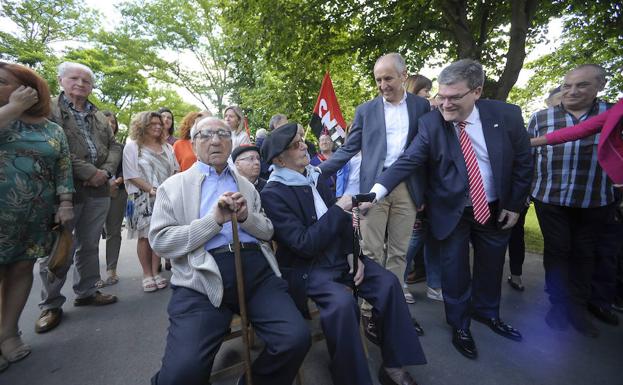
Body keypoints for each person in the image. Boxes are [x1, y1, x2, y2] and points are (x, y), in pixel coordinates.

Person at [371, 59, 532, 359]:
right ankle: (460, 325)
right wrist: (376, 192)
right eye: (441, 96)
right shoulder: (432, 123)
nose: (444, 104)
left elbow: (523, 162)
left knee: (491, 265)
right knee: (455, 271)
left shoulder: (507, 116)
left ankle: (488, 313)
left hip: (496, 208)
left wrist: (514, 205)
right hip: (451, 210)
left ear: (477, 92)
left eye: (454, 98)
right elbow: (408, 160)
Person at [148, 117, 310, 385]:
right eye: (206, 135)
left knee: (295, 339)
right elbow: (161, 241)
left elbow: (268, 231)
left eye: (223, 134)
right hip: (201, 278)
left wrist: (248, 217)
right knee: (182, 374)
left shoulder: (246, 185)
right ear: (192, 142)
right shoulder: (173, 187)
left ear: (230, 141)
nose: (215, 140)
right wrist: (213, 222)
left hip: (257, 274)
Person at [261, 123, 425, 385]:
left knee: (389, 284)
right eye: (295, 144)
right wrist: (338, 209)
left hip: (340, 258)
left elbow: (342, 227)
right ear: (279, 159)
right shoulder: (272, 193)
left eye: (302, 140)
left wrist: (355, 253)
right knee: (342, 305)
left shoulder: (314, 176)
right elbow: (304, 244)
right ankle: (351, 379)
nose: (304, 145)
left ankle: (393, 366)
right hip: (307, 269)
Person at [319, 53, 430, 307]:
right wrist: (320, 170)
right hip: (373, 189)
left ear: (404, 76)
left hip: (408, 188)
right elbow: (348, 149)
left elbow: (427, 152)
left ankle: (392, 303)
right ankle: (370, 308)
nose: (382, 85)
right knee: (371, 251)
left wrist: (424, 193)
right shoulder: (366, 110)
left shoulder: (421, 107)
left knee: (400, 252)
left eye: (388, 78)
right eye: (378, 80)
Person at [529, 64, 619, 335]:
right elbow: (528, 157)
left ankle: (578, 308)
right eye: (567, 85)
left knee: (585, 253)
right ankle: (558, 305)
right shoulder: (541, 117)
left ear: (599, 87)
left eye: (582, 85)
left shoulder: (613, 114)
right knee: (557, 251)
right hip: (550, 198)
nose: (572, 91)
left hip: (595, 199)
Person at [36, 62, 121, 334]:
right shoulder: (48, 110)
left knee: (90, 244)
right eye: (74, 78)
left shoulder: (98, 115)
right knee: (59, 247)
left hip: (98, 190)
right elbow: (52, 147)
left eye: (86, 80)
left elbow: (114, 146)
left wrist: (105, 173)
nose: (81, 84)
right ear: (61, 80)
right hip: (64, 191)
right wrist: (89, 171)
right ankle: (50, 304)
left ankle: (86, 290)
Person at [0, 62, 74, 370]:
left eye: (3, 81)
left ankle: (8, 333)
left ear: (30, 89)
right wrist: (12, 109)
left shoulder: (52, 129)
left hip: (35, 214)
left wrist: (65, 202)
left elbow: (63, 167)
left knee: (21, 270)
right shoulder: (6, 121)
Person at [123, 111, 179, 292]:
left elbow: (176, 170)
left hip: (165, 198)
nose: (157, 126)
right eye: (151, 124)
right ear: (142, 126)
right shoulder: (133, 147)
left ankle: (156, 272)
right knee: (145, 237)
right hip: (142, 199)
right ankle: (147, 274)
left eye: (159, 124)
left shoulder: (168, 148)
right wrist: (151, 189)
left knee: (159, 235)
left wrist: (168, 191)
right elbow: (131, 174)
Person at [96, 111, 127, 288]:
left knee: (114, 232)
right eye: (106, 123)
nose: (110, 126)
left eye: (113, 123)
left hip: (118, 191)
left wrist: (116, 181)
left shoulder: (121, 147)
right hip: (94, 191)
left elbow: (127, 169)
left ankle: (111, 269)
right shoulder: (90, 145)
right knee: (90, 235)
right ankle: (91, 275)